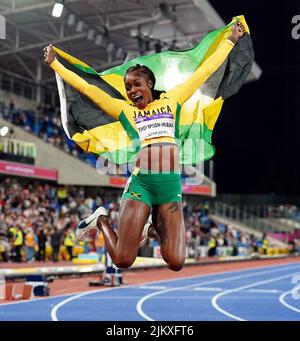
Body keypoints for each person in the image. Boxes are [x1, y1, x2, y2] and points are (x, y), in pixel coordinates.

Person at [44, 22, 245, 271]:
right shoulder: (125, 111)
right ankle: (101, 219)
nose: (131, 91)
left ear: (149, 84)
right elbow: (89, 89)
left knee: (176, 261)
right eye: (128, 87)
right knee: (122, 260)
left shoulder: (173, 100)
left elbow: (204, 72)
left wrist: (230, 41)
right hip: (142, 186)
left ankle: (152, 228)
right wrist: (55, 64)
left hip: (170, 187)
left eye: (136, 84)